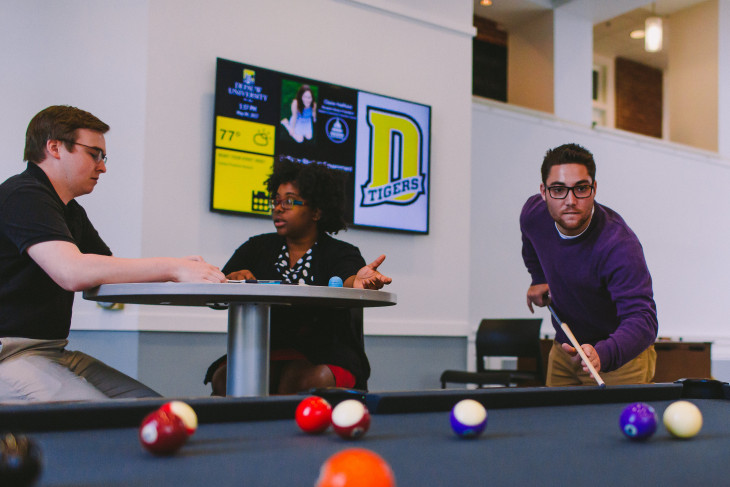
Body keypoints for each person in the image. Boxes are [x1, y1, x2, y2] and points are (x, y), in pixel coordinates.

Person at [0, 105, 226, 402]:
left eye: (103, 157)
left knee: (158, 411)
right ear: (54, 147)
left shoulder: (70, 211)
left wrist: (188, 271)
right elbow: (71, 271)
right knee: (104, 422)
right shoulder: (23, 194)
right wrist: (173, 267)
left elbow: (109, 272)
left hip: (52, 350)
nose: (102, 166)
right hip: (10, 353)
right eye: (94, 154)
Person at [204, 160, 391, 395]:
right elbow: (218, 289)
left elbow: (348, 279)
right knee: (225, 378)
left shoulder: (341, 252)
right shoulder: (256, 248)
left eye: (290, 201)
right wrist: (232, 278)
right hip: (266, 348)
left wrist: (358, 282)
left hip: (327, 351)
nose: (279, 208)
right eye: (277, 200)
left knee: (299, 380)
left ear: (316, 211)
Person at [520, 143, 658, 386]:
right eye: (559, 189)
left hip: (619, 357)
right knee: (556, 424)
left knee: (615, 425)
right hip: (565, 349)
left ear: (594, 189)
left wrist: (603, 354)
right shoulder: (533, 214)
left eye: (581, 188)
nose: (570, 200)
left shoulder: (620, 245)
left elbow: (643, 320)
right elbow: (531, 243)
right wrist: (538, 277)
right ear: (543, 192)